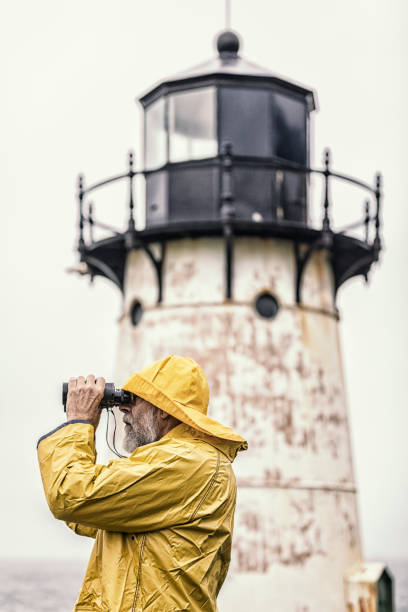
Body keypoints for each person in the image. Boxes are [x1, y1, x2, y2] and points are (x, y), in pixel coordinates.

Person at [37, 355, 247, 611]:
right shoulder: (170, 462)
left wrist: (78, 423)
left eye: (134, 400)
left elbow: (70, 496)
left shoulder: (188, 462)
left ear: (163, 410)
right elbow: (85, 512)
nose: (123, 408)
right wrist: (85, 430)